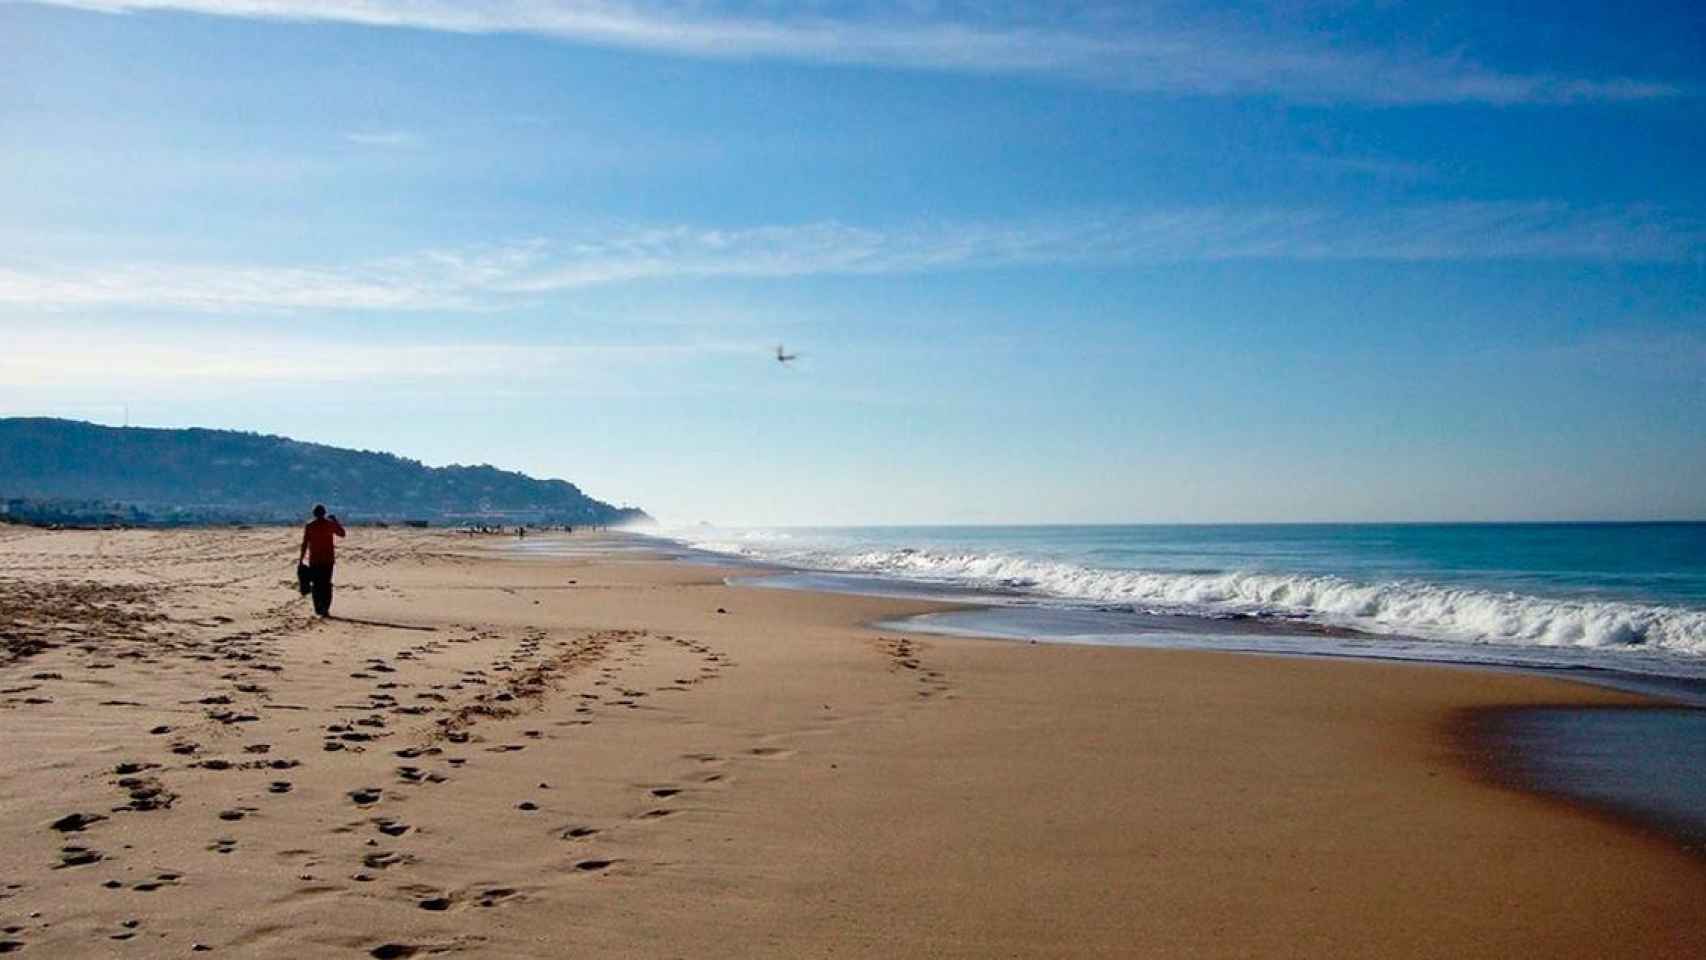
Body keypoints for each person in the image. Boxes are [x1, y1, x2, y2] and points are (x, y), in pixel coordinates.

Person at [298, 504, 346, 617]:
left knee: (316, 585)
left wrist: (301, 559)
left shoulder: (310, 526)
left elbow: (305, 543)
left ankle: (319, 608)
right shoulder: (329, 524)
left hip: (315, 560)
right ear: (324, 513)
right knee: (326, 584)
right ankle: (325, 607)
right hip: (327, 560)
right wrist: (335, 520)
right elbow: (342, 534)